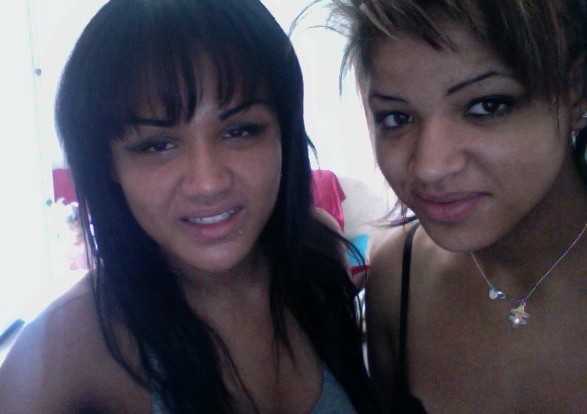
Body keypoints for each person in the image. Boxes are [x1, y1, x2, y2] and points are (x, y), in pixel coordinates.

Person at [0, 1, 375, 412]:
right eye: (157, 145)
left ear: (283, 133)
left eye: (240, 130)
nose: (208, 183)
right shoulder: (63, 346)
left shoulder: (319, 255)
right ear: (108, 163)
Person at [327, 0, 587, 412]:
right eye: (396, 118)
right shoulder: (396, 276)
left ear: (576, 92)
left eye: (487, 106)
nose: (430, 168)